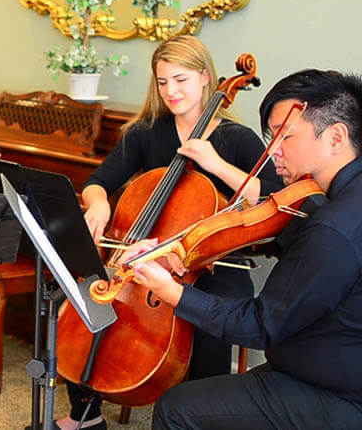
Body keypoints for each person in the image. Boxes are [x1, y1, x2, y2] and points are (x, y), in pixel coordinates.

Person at [57, 35, 283, 430]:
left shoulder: (236, 139)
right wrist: (99, 203)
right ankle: (87, 416)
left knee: (217, 316)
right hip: (142, 259)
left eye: (180, 80)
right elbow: (98, 181)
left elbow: (271, 200)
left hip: (211, 265)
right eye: (162, 82)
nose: (171, 91)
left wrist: (215, 164)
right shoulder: (147, 132)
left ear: (205, 78)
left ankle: (201, 417)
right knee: (82, 300)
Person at [127, 69, 362, 428]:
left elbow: (259, 325)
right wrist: (202, 249)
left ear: (336, 137)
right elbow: (298, 246)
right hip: (331, 361)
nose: (276, 150)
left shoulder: (333, 227)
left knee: (178, 408)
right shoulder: (337, 203)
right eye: (272, 136)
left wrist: (171, 291)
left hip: (339, 392)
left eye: (286, 135)